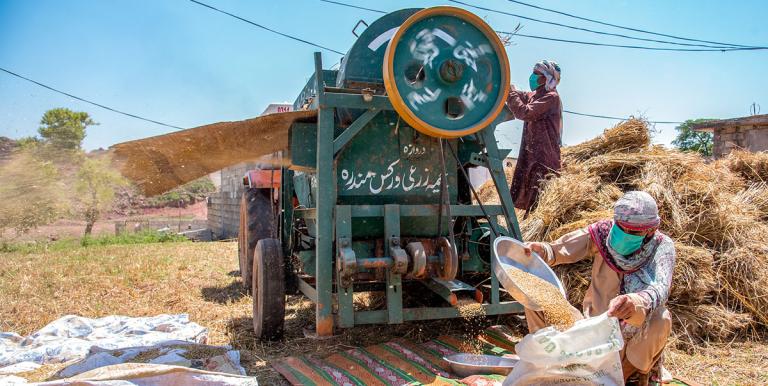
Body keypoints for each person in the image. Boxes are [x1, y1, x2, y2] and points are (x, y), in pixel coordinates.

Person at [523, 191, 676, 385]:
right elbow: (561, 249)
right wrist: (542, 250)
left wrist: (636, 301)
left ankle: (619, 377)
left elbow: (660, 288)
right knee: (537, 296)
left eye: (635, 232)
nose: (626, 235)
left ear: (650, 230)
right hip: (590, 333)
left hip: (627, 342)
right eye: (622, 228)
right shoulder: (603, 232)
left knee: (661, 318)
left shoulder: (662, 247)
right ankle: (549, 361)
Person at [506, 60, 563, 213]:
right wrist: (505, 88)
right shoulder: (536, 95)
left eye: (536, 74)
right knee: (531, 204)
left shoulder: (551, 98)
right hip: (533, 158)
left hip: (544, 160)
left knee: (539, 206)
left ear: (547, 78)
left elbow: (525, 112)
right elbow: (521, 96)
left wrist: (511, 93)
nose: (532, 76)